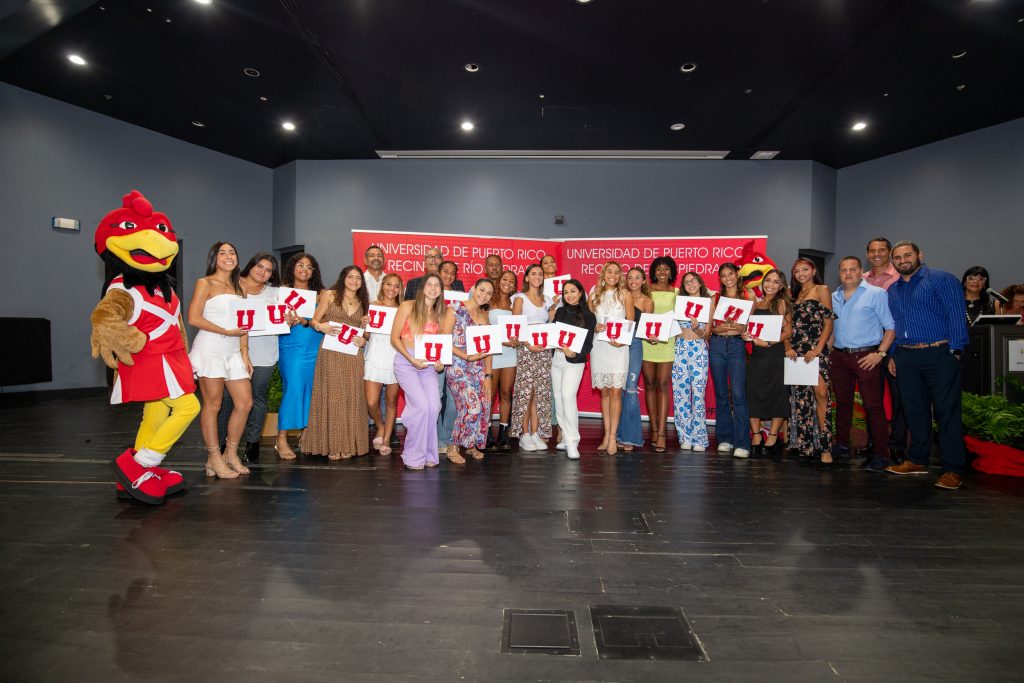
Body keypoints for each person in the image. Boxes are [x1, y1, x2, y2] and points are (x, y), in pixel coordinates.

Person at [885, 241, 969, 490]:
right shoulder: (893, 290)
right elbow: (895, 325)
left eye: (907, 255)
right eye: (897, 258)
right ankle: (917, 460)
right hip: (906, 356)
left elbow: (956, 315)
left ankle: (953, 469)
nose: (903, 261)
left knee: (947, 412)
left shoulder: (943, 280)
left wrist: (954, 351)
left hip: (939, 353)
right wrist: (892, 354)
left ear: (919, 255)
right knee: (914, 412)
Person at [187, 241, 253, 479]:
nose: (228, 256)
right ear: (214, 258)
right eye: (223, 253)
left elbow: (245, 323)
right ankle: (214, 458)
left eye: (232, 253)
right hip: (211, 348)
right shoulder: (205, 283)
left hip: (234, 351)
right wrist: (225, 332)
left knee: (245, 403)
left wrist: (245, 352)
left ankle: (230, 454)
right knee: (213, 404)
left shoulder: (240, 287)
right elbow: (193, 318)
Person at [216, 252, 283, 464]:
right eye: (259, 266)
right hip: (231, 349)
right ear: (250, 265)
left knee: (257, 398)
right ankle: (222, 446)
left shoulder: (276, 292)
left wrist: (289, 319)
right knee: (227, 400)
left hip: (264, 352)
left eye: (268, 270)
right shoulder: (231, 285)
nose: (262, 272)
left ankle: (252, 445)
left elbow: (286, 317)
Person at [830, 257, 896, 472]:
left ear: (861, 272)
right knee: (842, 402)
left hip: (866, 356)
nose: (848, 273)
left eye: (852, 269)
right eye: (843, 270)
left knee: (873, 406)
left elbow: (890, 327)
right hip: (839, 356)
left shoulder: (876, 294)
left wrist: (880, 353)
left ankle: (880, 454)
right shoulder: (834, 297)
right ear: (839, 273)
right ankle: (841, 445)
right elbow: (831, 328)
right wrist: (829, 352)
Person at [300, 266, 370, 460]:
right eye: (350, 277)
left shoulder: (364, 302)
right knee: (333, 397)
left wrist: (364, 338)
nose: (354, 281)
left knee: (351, 396)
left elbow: (366, 334)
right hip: (330, 353)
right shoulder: (330, 295)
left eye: (358, 278)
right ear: (343, 278)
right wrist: (321, 326)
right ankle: (332, 444)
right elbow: (314, 320)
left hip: (353, 355)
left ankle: (348, 443)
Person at [391, 273, 446, 470]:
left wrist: (440, 363)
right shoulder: (407, 306)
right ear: (422, 288)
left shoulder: (439, 314)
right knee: (421, 406)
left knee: (434, 406)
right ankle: (413, 455)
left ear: (441, 290)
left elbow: (438, 347)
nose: (433, 288)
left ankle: (429, 454)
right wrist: (411, 359)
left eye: (437, 285)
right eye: (429, 284)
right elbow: (394, 338)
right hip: (406, 363)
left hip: (428, 366)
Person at [786, 258, 836, 467]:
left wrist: (818, 349)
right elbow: (786, 326)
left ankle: (826, 447)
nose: (801, 273)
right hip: (795, 354)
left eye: (805, 269)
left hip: (816, 352)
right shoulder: (793, 295)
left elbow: (828, 322)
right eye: (797, 271)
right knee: (802, 399)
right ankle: (806, 445)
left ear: (813, 270)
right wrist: (788, 346)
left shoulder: (822, 289)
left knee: (821, 394)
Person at [275, 252, 324, 459]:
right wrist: (283, 319)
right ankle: (281, 438)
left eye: (309, 266)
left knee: (312, 391)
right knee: (294, 389)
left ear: (314, 271)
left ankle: (306, 433)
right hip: (292, 347)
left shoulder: (321, 294)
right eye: (300, 265)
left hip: (314, 347)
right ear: (292, 268)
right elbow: (273, 319)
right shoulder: (282, 292)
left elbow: (322, 321)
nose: (304, 269)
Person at [443, 278, 495, 463]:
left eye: (489, 293)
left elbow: (489, 348)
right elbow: (444, 340)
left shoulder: (484, 315)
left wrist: (488, 375)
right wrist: (466, 357)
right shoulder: (455, 308)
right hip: (457, 365)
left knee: (484, 406)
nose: (484, 295)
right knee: (472, 406)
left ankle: (471, 444)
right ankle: (452, 446)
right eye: (482, 290)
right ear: (473, 288)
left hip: (479, 367)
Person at [589, 261, 635, 456]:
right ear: (603, 273)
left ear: (620, 276)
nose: (613, 275)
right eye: (610, 271)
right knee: (605, 392)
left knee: (616, 391)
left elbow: (631, 322)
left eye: (617, 272)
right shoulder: (594, 294)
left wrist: (622, 341)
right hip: (599, 347)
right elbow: (588, 320)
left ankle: (613, 437)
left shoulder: (625, 294)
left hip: (618, 348)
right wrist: (595, 327)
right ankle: (607, 435)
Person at [509, 264, 554, 451]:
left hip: (544, 350)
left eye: (540, 274)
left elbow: (551, 323)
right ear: (526, 278)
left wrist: (554, 308)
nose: (537, 277)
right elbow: (515, 326)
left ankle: (536, 433)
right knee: (525, 392)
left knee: (539, 392)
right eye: (533, 274)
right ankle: (524, 434)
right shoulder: (519, 298)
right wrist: (528, 344)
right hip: (526, 349)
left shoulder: (548, 299)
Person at [709, 263, 751, 458]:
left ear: (737, 275)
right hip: (717, 345)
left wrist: (737, 328)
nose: (728, 278)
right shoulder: (715, 298)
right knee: (721, 393)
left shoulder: (748, 296)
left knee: (738, 393)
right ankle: (725, 438)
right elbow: (711, 329)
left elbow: (748, 328)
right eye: (723, 275)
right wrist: (724, 328)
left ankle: (742, 442)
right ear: (720, 278)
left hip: (736, 346)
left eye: (730, 274)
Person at [551, 279, 596, 460]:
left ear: (580, 293)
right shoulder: (560, 311)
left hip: (575, 362)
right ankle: (566, 435)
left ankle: (572, 441)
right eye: (566, 292)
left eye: (572, 291)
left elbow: (587, 345)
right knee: (559, 399)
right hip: (557, 359)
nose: (569, 295)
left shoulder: (589, 315)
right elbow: (553, 334)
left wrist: (573, 354)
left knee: (568, 397)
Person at [673, 271, 713, 453]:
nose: (690, 284)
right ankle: (685, 436)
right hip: (680, 349)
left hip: (698, 349)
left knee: (698, 394)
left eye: (693, 281)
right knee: (680, 394)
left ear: (700, 283)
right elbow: (673, 328)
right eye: (686, 282)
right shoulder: (679, 303)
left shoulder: (708, 303)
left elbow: (707, 334)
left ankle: (699, 437)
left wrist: (697, 328)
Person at [364, 273, 402, 456]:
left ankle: (386, 438)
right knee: (371, 402)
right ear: (382, 286)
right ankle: (380, 426)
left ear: (400, 289)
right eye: (388, 284)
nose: (392, 289)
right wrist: (365, 325)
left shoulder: (403, 309)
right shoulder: (372, 306)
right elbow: (366, 336)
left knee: (391, 401)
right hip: (374, 354)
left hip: (394, 356)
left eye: (396, 286)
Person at [643, 256, 678, 453]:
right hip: (647, 342)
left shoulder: (677, 292)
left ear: (671, 272)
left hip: (667, 343)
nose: (662, 272)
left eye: (666, 269)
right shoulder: (646, 290)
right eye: (658, 269)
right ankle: (654, 430)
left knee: (663, 385)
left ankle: (663, 433)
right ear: (653, 272)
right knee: (649, 384)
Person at [617, 267, 653, 452]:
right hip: (615, 345)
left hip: (634, 345)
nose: (633, 281)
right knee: (617, 390)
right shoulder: (618, 296)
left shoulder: (647, 301)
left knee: (630, 389)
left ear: (644, 281)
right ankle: (617, 434)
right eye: (629, 278)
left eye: (637, 278)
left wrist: (653, 336)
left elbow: (648, 329)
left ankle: (630, 436)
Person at [487, 269, 519, 450]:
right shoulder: (490, 299)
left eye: (512, 281)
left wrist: (516, 340)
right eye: (505, 279)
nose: (508, 283)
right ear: (499, 281)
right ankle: (488, 433)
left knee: (506, 393)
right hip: (493, 353)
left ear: (515, 285)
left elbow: (519, 327)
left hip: (510, 354)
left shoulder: (516, 302)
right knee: (490, 395)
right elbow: (483, 326)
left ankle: (504, 433)